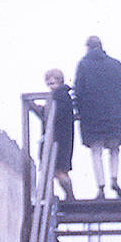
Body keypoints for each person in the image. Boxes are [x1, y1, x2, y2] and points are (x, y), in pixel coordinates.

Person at [73, 35, 121, 199]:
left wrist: (81, 109)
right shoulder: (115, 64)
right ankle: (114, 178)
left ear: (88, 48)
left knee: (96, 151)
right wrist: (120, 107)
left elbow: (78, 90)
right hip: (114, 114)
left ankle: (101, 187)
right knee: (114, 149)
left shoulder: (83, 64)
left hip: (91, 116)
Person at [42, 68, 75, 200]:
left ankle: (70, 195)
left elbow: (57, 115)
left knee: (57, 170)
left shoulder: (59, 95)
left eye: (53, 83)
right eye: (49, 84)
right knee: (59, 170)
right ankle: (70, 195)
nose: (51, 87)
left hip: (58, 139)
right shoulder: (61, 95)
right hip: (61, 137)